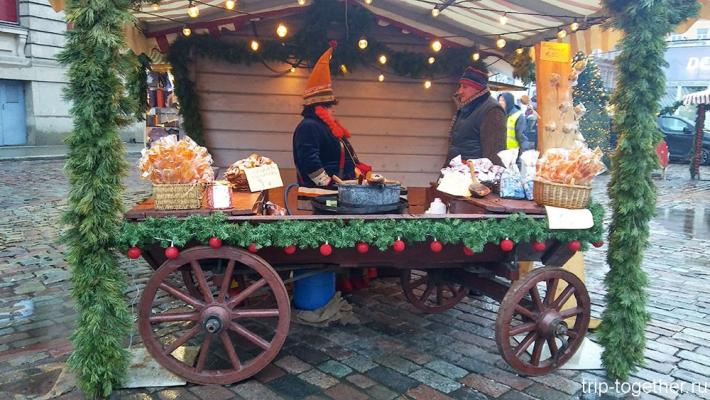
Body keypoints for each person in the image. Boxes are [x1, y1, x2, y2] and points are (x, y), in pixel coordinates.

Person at [292, 43, 370, 187]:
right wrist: (327, 184)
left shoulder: (323, 127)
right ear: (319, 107)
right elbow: (309, 160)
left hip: (340, 189)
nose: (332, 110)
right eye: (329, 106)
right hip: (325, 193)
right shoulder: (309, 127)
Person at [446, 67, 507, 165]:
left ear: (477, 88)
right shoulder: (466, 107)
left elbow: (494, 154)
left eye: (465, 87)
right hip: (459, 170)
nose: (460, 91)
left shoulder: (492, 110)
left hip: (474, 172)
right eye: (460, 86)